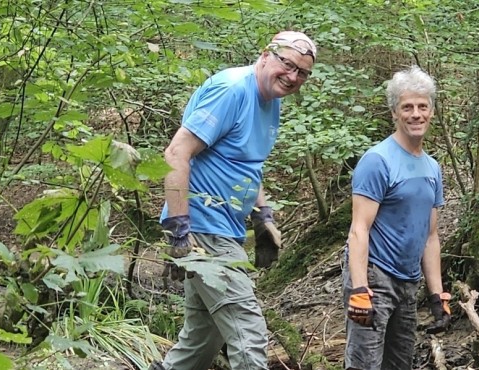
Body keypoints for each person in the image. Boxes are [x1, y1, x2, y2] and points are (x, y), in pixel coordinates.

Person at [149, 31, 316, 370]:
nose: (293, 76)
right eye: (288, 64)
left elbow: (245, 163)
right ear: (265, 54)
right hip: (202, 228)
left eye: (302, 72)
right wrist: (179, 229)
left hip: (227, 229)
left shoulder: (272, 101)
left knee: (203, 338)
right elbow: (175, 153)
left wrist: (262, 213)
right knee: (248, 332)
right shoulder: (233, 90)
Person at [342, 66, 452, 370]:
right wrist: (359, 289)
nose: (416, 114)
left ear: (431, 111)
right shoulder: (378, 161)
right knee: (365, 364)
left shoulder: (432, 168)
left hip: (408, 281)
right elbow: (358, 230)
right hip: (376, 275)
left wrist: (436, 294)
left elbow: (430, 236)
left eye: (422, 106)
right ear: (394, 112)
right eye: (407, 107)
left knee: (400, 364)